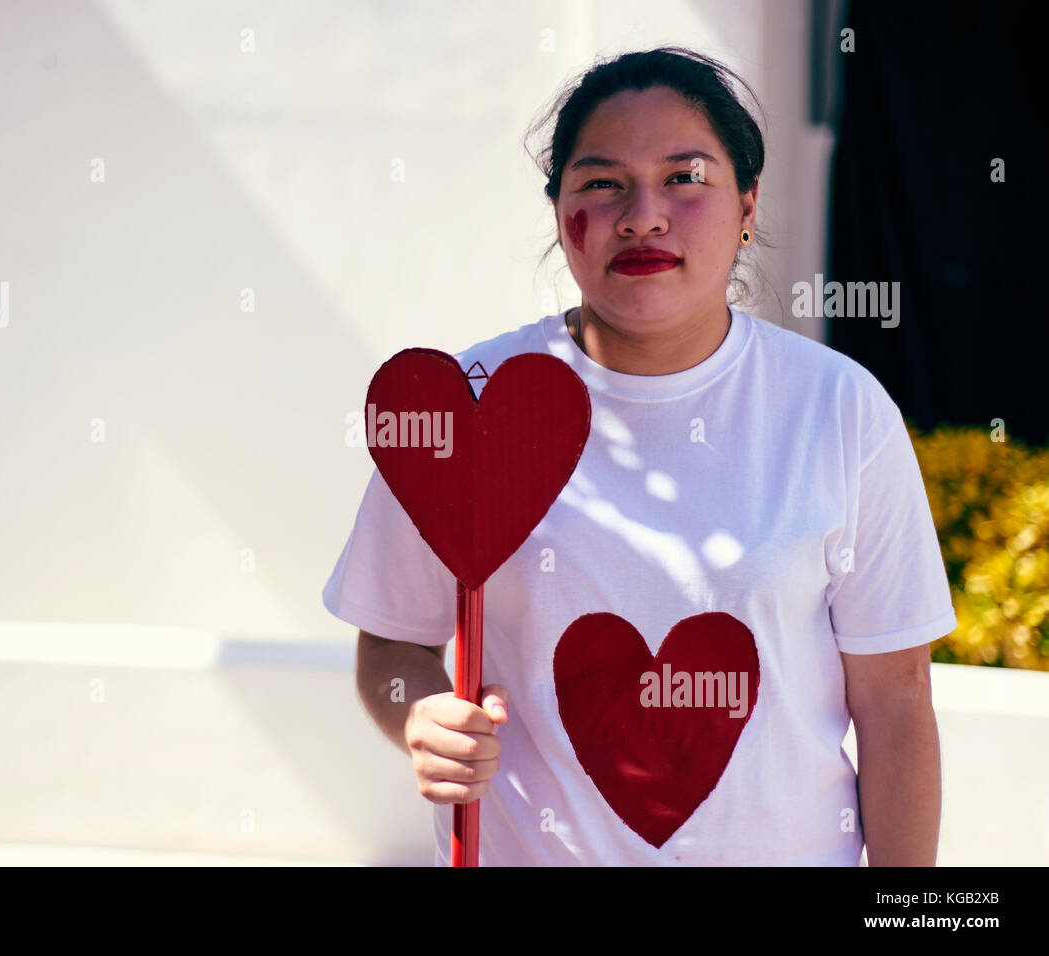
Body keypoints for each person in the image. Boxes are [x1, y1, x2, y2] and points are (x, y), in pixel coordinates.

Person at [322, 47, 956, 866]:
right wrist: (418, 712)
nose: (642, 215)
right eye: (600, 182)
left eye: (685, 178)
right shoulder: (465, 404)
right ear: (560, 215)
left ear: (748, 207)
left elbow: (896, 698)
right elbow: (393, 642)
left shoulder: (837, 408)